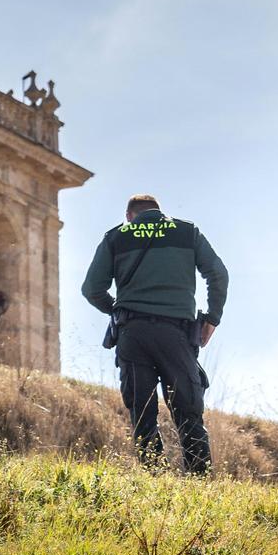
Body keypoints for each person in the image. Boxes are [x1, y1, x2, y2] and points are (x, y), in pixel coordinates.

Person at [82, 194, 228, 475]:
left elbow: (91, 289)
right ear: (160, 212)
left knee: (142, 408)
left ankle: (154, 477)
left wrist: (116, 310)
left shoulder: (116, 236)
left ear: (129, 216)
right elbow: (218, 274)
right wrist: (212, 318)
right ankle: (200, 480)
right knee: (188, 408)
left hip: (132, 333)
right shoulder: (187, 231)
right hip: (177, 333)